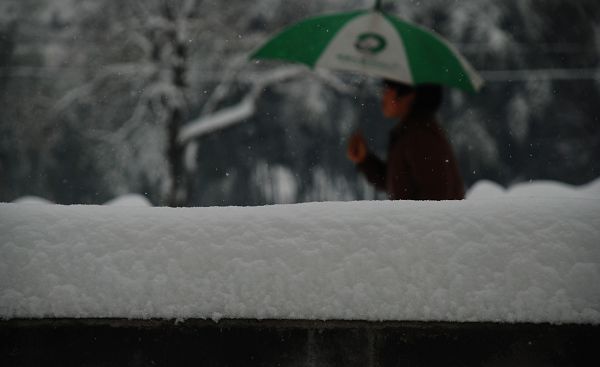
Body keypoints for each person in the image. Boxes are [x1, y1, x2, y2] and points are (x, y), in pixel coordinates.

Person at [347, 80, 465, 200]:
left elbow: (436, 196)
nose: (383, 94)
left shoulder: (420, 137)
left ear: (408, 94)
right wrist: (365, 160)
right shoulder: (412, 132)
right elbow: (397, 181)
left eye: (388, 88)